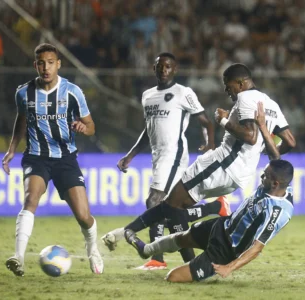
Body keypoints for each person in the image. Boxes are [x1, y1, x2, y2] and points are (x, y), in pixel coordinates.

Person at [102, 63, 296, 257]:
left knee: (172, 205)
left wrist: (224, 121)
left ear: (240, 83)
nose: (226, 90)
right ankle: (129, 234)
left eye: (228, 86)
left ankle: (141, 241)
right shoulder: (271, 104)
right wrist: (259, 151)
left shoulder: (245, 98)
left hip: (222, 165)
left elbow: (250, 136)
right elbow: (290, 141)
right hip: (239, 176)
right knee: (176, 208)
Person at [124, 109, 292, 282]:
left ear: (275, 184)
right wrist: (263, 127)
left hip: (227, 249)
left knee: (172, 277)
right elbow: (275, 157)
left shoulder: (277, 211)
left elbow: (257, 248)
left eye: (265, 176)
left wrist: (229, 267)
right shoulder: (276, 182)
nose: (261, 177)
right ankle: (147, 250)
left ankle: (200, 269)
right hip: (221, 226)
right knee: (182, 238)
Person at [102, 52, 231, 270]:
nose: (164, 70)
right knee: (171, 210)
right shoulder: (147, 96)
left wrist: (209, 144)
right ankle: (210, 215)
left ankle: (156, 258)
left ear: (175, 70)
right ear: (154, 69)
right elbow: (148, 129)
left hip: (174, 155)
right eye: (160, 66)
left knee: (154, 202)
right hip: (157, 156)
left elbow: (205, 120)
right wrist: (130, 155)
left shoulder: (183, 92)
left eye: (168, 66)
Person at [2, 43, 103, 276]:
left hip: (65, 158)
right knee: (31, 199)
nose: (45, 67)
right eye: (41, 63)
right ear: (35, 65)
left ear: (58, 64)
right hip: (36, 157)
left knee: (83, 216)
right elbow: (22, 120)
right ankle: (18, 257)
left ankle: (92, 249)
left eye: (50, 62)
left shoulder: (72, 92)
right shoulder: (23, 92)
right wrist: (12, 149)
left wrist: (82, 127)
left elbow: (92, 127)